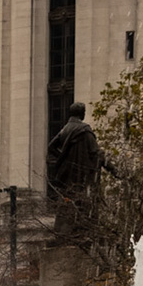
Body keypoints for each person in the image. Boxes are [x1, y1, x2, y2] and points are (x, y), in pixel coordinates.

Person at [45, 102, 110, 247]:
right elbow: (96, 152)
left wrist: (63, 158)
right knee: (84, 203)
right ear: (82, 113)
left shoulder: (65, 129)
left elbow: (51, 147)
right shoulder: (84, 130)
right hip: (81, 175)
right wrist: (111, 168)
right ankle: (83, 232)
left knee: (67, 202)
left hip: (67, 176)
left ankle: (63, 233)